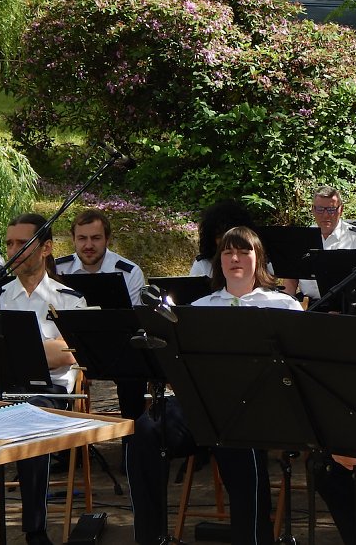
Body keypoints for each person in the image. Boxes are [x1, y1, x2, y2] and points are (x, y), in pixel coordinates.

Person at [126, 226, 303, 545]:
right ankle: (149, 537)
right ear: (218, 262)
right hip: (200, 405)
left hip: (255, 409)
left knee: (240, 441)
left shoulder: (283, 306)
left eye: (243, 251)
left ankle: (252, 538)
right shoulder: (198, 309)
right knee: (145, 432)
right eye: (227, 252)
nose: (235, 258)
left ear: (258, 259)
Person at [0, 213, 86, 545]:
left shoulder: (69, 298)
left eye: (23, 243)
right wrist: (46, 348)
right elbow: (56, 350)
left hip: (49, 395)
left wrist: (17, 351)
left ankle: (35, 529)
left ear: (46, 247)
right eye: (9, 243)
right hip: (0, 389)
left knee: (30, 418)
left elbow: (71, 354)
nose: (13, 250)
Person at [55, 209, 147, 419]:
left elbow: (134, 322)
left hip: (117, 347)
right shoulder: (58, 269)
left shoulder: (129, 272)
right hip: (68, 345)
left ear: (107, 239)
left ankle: (132, 443)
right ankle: (67, 447)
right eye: (82, 238)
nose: (88, 245)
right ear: (73, 239)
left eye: (95, 238)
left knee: (134, 374)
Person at [286, 185, 356, 301]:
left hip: (344, 306)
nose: (325, 215)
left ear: (341, 209)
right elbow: (291, 279)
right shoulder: (302, 238)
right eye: (320, 209)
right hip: (308, 305)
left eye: (331, 209)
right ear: (312, 209)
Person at [189, 199, 256, 278]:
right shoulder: (203, 265)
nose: (226, 241)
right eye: (220, 236)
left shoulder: (261, 263)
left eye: (232, 236)